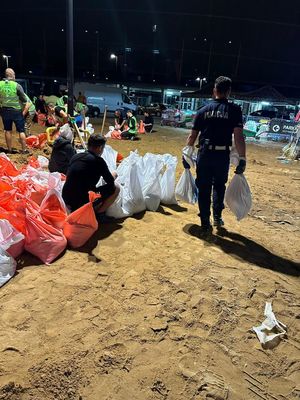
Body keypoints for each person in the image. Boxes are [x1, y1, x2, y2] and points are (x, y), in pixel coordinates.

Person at [184, 76, 246, 232]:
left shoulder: (203, 110)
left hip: (204, 154)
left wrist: (186, 153)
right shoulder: (234, 110)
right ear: (228, 92)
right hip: (222, 156)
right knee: (219, 186)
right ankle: (217, 217)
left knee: (204, 187)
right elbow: (238, 137)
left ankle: (205, 220)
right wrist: (242, 158)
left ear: (214, 91)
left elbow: (192, 136)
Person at [62, 134, 120, 218]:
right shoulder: (98, 161)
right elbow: (110, 181)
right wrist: (114, 174)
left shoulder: (76, 156)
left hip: (66, 197)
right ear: (100, 148)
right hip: (80, 201)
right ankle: (100, 214)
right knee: (116, 188)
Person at [0, 68, 30, 153]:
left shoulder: (0, 84)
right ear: (12, 75)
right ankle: (24, 150)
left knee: (7, 130)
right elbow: (24, 99)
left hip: (5, 110)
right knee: (21, 130)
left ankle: (9, 150)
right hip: (16, 111)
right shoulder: (16, 85)